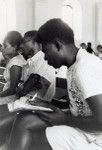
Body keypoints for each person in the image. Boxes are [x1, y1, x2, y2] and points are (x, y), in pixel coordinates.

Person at [7, 18, 102, 150]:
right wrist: (51, 106)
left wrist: (63, 119)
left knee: (31, 138)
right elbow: (81, 108)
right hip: (87, 130)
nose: (45, 58)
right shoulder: (74, 65)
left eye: (45, 51)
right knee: (25, 119)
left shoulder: (83, 67)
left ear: (57, 45)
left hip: (94, 138)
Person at [0, 31, 26, 147]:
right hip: (7, 95)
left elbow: (12, 89)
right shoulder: (15, 59)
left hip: (10, 98)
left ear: (15, 47)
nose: (2, 48)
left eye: (5, 46)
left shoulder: (16, 63)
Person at [19, 30, 56, 102]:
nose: (21, 46)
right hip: (25, 103)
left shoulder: (45, 61)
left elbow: (39, 93)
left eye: (24, 42)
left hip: (40, 107)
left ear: (35, 42)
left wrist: (22, 90)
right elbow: (21, 86)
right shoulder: (28, 62)